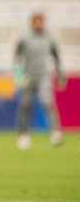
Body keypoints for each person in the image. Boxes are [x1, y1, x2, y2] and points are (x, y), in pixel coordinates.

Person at [13, 11, 65, 150]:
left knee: (48, 104)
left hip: (43, 77)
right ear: (32, 22)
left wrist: (61, 75)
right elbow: (17, 58)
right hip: (27, 77)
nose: (39, 24)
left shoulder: (49, 38)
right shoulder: (24, 38)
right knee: (25, 106)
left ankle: (55, 132)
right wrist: (18, 76)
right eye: (36, 21)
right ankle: (23, 135)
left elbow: (57, 57)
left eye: (41, 21)